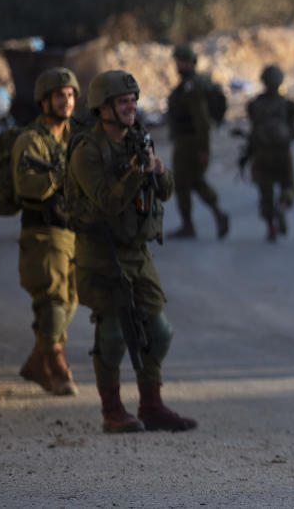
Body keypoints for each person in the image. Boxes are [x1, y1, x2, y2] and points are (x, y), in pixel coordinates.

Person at [66, 70, 197, 434]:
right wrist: (137, 173)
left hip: (138, 252)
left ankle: (152, 405)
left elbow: (165, 191)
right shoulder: (87, 152)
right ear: (103, 108)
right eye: (123, 102)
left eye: (133, 101)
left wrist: (157, 169)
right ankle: (112, 410)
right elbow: (107, 202)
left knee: (159, 331)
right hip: (102, 252)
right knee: (112, 333)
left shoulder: (138, 140)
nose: (131, 107)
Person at [12, 67, 81, 396]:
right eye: (59, 96)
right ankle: (55, 363)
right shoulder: (31, 141)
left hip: (70, 233)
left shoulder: (72, 139)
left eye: (69, 96)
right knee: (53, 300)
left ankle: (40, 359)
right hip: (42, 233)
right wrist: (59, 176)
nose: (66, 101)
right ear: (44, 102)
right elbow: (25, 185)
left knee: (70, 301)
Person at [244, 65, 294, 242]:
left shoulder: (254, 104)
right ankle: (282, 207)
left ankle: (271, 229)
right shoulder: (287, 104)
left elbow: (252, 122)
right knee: (288, 186)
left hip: (261, 154)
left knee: (265, 193)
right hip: (282, 152)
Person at [167, 43, 229, 240]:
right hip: (187, 140)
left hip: (189, 142)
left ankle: (189, 225)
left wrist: (204, 149)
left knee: (184, 183)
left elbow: (201, 120)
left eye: (182, 62)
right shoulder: (188, 85)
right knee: (193, 181)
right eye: (178, 62)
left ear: (191, 63)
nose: (179, 65)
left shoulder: (192, 87)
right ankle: (215, 215)